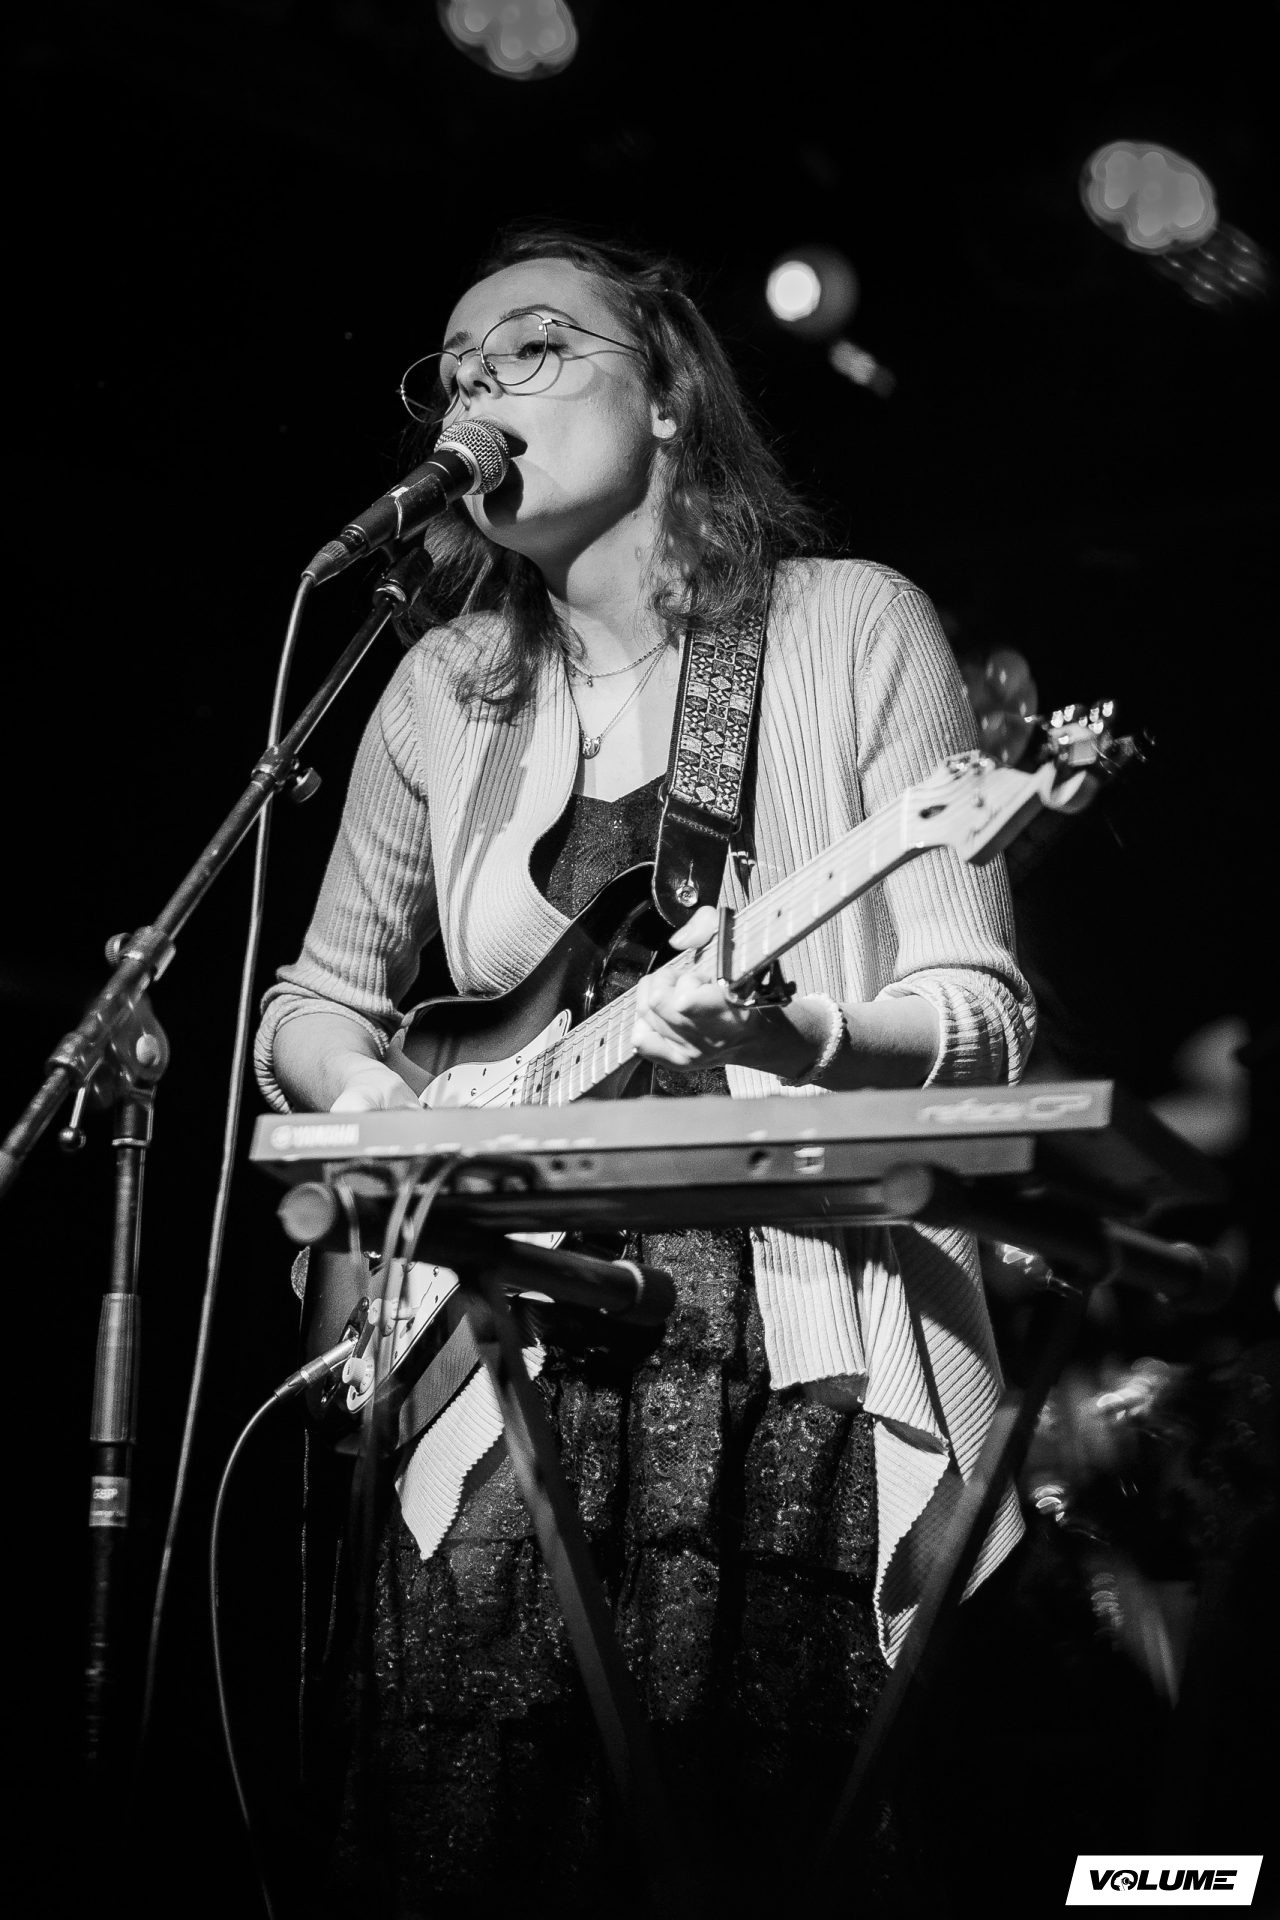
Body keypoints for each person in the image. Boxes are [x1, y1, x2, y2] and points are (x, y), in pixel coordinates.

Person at [254, 224, 1036, 1918]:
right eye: (455, 372)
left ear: (670, 393)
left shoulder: (848, 625)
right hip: (499, 1343)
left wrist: (792, 1033)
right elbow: (310, 1004)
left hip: (787, 1342)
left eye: (534, 348)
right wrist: (402, 1115)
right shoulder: (437, 692)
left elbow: (980, 1010)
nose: (477, 393)